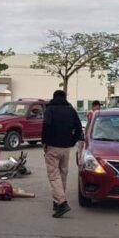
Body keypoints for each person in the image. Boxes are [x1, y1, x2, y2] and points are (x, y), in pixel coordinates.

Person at [42, 90, 83, 218]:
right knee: (63, 174)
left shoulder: (50, 110)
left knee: (54, 175)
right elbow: (79, 127)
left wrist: (45, 142)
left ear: (53, 97)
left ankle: (62, 202)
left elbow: (46, 126)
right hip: (66, 147)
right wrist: (72, 140)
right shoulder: (71, 110)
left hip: (53, 146)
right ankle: (57, 202)